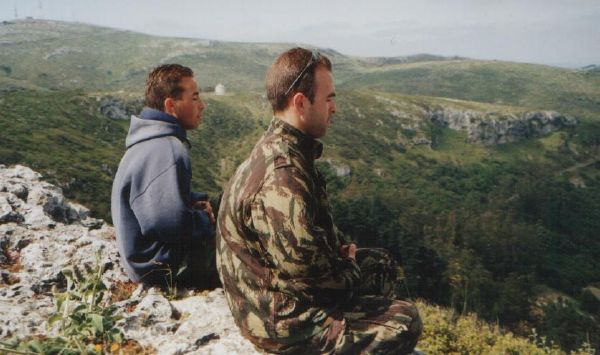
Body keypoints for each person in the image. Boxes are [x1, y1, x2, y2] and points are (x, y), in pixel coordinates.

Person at [217, 48, 422, 354]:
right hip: (278, 321)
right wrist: (348, 267)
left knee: (380, 265)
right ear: (301, 103)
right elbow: (311, 278)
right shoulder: (282, 177)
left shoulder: (283, 150)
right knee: (405, 322)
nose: (334, 108)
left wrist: (340, 256)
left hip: (274, 292)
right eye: (328, 98)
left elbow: (306, 247)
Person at [111, 64, 218, 289]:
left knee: (220, 204)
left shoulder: (147, 142)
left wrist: (190, 202)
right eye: (195, 98)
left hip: (142, 259)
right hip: (160, 269)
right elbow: (167, 223)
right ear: (171, 106)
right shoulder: (167, 148)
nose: (202, 105)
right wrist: (204, 220)